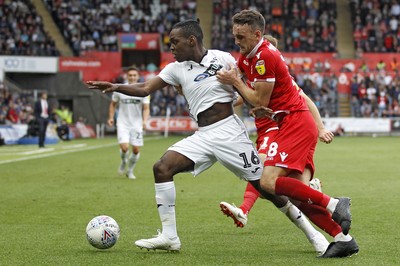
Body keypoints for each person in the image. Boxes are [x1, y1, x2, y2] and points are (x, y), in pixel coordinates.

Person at [86, 20, 336, 255]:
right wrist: (116, 87)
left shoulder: (224, 58)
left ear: (192, 40)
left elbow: (254, 82)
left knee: (269, 189)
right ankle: (170, 237)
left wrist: (258, 102)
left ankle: (315, 236)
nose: (171, 47)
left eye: (175, 42)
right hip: (203, 136)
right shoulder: (174, 69)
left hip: (230, 133)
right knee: (162, 168)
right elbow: (144, 89)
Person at [216, 10, 359, 258]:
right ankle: (342, 238)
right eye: (235, 35)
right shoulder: (247, 57)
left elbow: (258, 98)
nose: (237, 41)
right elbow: (251, 100)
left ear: (257, 34)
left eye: (241, 36)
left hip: (295, 122)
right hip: (287, 122)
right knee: (299, 195)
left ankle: (335, 203)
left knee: (268, 182)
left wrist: (236, 83)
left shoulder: (263, 57)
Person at [220, 35, 334, 231]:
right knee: (278, 189)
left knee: (260, 169)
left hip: (279, 129)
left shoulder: (283, 82)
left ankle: (244, 210)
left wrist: (321, 128)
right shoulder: (257, 80)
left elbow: (306, 100)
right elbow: (241, 98)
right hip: (265, 130)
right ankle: (318, 201)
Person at [108, 66, 150, 179]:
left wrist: (145, 121)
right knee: (125, 148)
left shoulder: (144, 90)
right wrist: (111, 117)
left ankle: (130, 171)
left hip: (136, 124)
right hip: (122, 123)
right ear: (127, 76)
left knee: (136, 150)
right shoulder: (119, 89)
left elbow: (146, 108)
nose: (132, 77)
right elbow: (112, 104)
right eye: (130, 75)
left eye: (134, 75)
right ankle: (123, 162)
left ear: (138, 77)